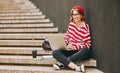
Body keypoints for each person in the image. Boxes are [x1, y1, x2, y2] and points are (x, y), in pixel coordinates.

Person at [52, 5, 92, 73]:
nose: (74, 16)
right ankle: (76, 68)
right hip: (70, 50)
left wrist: (75, 46)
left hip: (79, 51)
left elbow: (88, 44)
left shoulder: (85, 27)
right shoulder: (71, 25)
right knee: (55, 52)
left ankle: (61, 64)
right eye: (73, 14)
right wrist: (64, 45)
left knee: (86, 50)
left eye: (76, 14)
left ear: (81, 15)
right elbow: (67, 37)